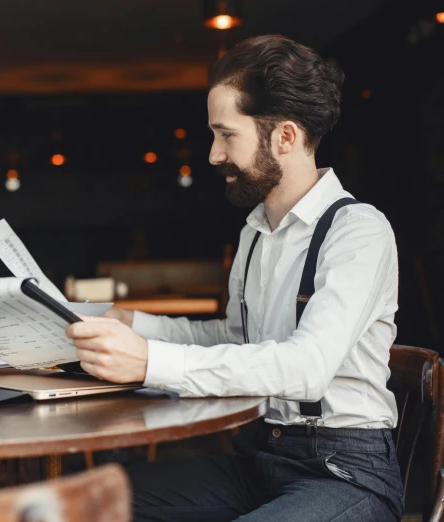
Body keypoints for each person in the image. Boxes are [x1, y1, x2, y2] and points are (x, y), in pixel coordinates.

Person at [65, 34, 403, 521]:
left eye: (226, 135)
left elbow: (307, 366)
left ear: (284, 137)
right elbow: (234, 340)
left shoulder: (358, 231)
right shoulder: (255, 233)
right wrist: (134, 324)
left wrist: (150, 362)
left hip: (345, 471)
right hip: (260, 459)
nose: (213, 154)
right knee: (86, 501)